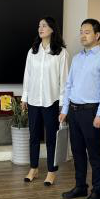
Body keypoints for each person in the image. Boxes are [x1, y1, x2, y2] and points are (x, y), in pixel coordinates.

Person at [60, 19, 100, 199]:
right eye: (81, 31)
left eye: (87, 32)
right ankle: (80, 186)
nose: (83, 35)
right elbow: (69, 85)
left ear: (98, 35)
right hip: (74, 111)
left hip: (91, 112)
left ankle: (97, 191)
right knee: (77, 151)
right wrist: (65, 109)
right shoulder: (77, 58)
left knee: (94, 154)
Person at [21, 17, 69, 186]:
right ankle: (33, 168)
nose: (40, 28)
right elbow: (27, 75)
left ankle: (51, 171)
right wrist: (24, 97)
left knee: (51, 138)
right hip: (34, 100)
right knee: (34, 136)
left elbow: (64, 80)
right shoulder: (32, 51)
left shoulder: (61, 53)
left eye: (44, 25)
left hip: (52, 101)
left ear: (52, 29)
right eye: (39, 25)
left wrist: (63, 104)